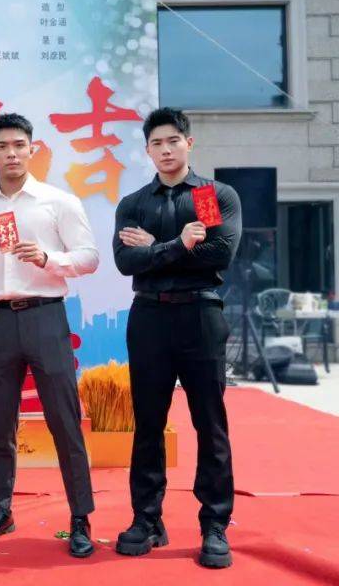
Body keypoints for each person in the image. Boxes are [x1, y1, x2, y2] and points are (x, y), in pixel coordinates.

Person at [0, 113, 99, 558]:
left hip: (45, 316)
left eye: (19, 145)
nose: (12, 154)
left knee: (64, 421)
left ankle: (80, 518)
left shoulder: (59, 202)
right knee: (0, 424)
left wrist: (48, 259)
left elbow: (90, 257)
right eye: (2, 147)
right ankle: (2, 509)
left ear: (33, 149)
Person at [113, 107, 241, 569]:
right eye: (156, 143)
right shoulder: (134, 204)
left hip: (200, 315)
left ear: (189, 143)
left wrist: (155, 249)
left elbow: (218, 253)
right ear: (147, 150)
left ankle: (214, 523)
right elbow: (126, 262)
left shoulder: (208, 196)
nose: (165, 150)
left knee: (209, 421)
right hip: (148, 317)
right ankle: (147, 519)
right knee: (148, 422)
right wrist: (178, 245)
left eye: (173, 141)